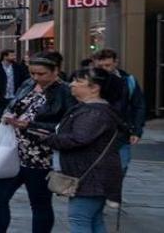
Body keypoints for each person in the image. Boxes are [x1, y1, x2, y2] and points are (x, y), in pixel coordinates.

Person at [35, 67, 127, 233]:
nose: (72, 85)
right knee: (94, 220)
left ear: (94, 88)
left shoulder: (94, 112)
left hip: (90, 176)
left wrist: (48, 139)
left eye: (78, 81)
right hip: (95, 175)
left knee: (79, 219)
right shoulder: (92, 108)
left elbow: (78, 138)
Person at [0, 54, 70, 233]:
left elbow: (67, 125)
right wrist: (9, 116)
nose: (37, 78)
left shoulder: (65, 91)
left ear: (56, 71)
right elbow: (14, 105)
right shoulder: (28, 84)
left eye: (42, 74)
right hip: (14, 151)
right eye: (33, 73)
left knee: (39, 203)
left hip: (41, 156)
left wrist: (30, 125)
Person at [91, 48, 146, 170]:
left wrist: (136, 131)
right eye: (100, 65)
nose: (104, 68)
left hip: (120, 133)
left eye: (108, 65)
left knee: (120, 170)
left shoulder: (128, 80)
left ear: (116, 63)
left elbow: (138, 106)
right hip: (93, 133)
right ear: (94, 63)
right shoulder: (87, 81)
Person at [0, 49, 27, 131]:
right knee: (1, 117)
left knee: (14, 117)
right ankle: (0, 134)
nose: (14, 57)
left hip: (14, 97)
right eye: (11, 55)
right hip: (1, 97)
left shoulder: (17, 67)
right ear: (5, 56)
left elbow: (24, 79)